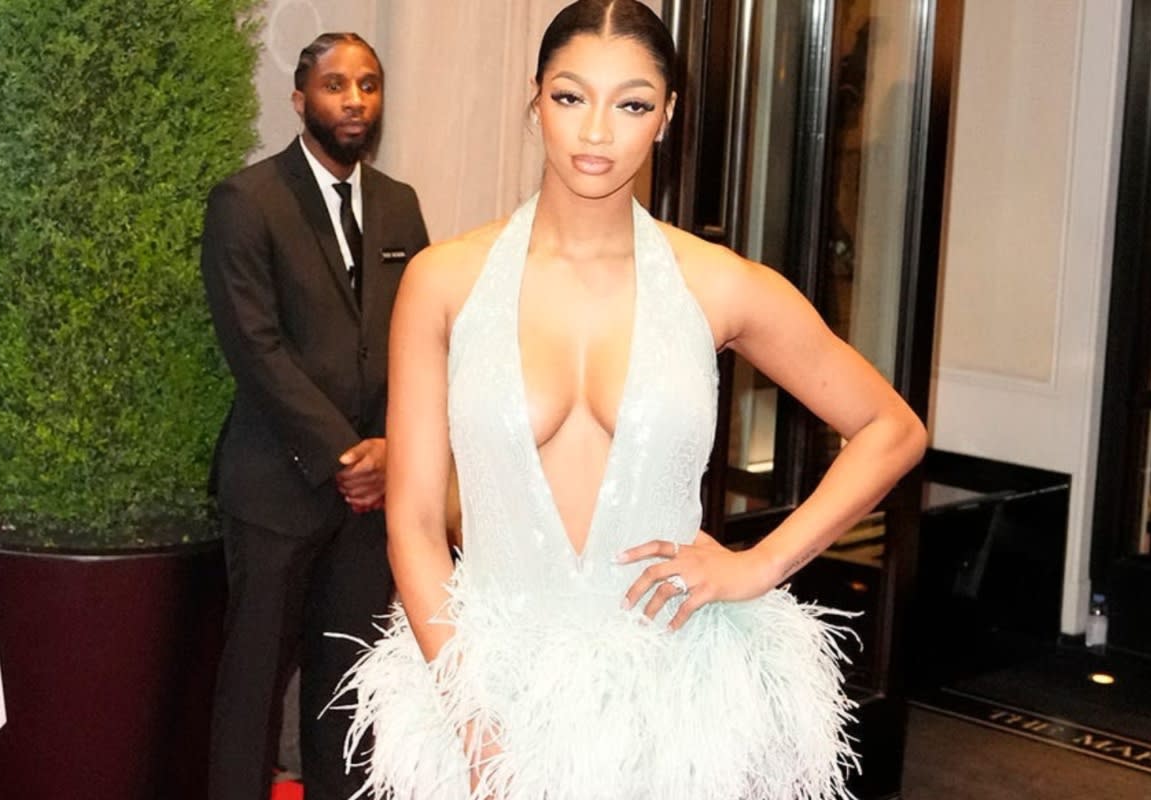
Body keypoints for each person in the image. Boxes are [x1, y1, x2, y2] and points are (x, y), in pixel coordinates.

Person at [338, 2, 926, 798]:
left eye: (633, 103)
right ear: (535, 96)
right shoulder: (445, 281)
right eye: (572, 96)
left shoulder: (717, 283)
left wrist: (758, 566)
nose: (595, 133)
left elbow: (890, 428)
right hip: (486, 685)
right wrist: (472, 718)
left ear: (668, 115)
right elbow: (411, 522)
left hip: (677, 694)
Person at [200, 32, 429, 800]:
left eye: (368, 84)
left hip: (369, 505)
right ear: (301, 100)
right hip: (277, 490)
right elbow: (254, 346)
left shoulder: (400, 205)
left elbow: (422, 339)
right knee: (253, 689)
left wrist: (395, 449)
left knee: (349, 686)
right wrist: (344, 456)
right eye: (336, 85)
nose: (354, 100)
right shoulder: (246, 201)